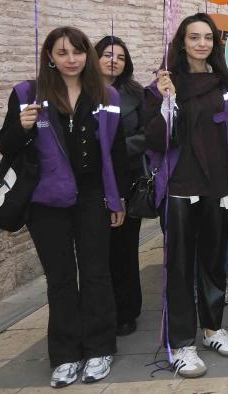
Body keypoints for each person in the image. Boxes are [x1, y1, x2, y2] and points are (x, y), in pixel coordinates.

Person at [0, 27, 128, 387]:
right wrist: (21, 128)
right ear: (50, 57)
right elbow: (6, 147)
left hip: (92, 197)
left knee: (96, 273)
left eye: (77, 52)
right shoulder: (28, 94)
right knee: (60, 279)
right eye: (62, 53)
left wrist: (117, 198)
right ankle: (66, 355)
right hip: (46, 199)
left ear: (87, 54)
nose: (71, 59)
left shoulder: (107, 94)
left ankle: (100, 348)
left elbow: (116, 153)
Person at [144, 13, 228, 379]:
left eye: (207, 38)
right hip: (180, 190)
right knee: (180, 268)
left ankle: (213, 329)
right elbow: (154, 141)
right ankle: (181, 344)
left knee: (214, 264)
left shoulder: (226, 85)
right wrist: (167, 105)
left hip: (218, 190)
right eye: (193, 37)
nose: (201, 43)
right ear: (181, 42)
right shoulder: (164, 86)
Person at [95, 36, 146, 337]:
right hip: (90, 183)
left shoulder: (135, 94)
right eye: (107, 55)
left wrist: (115, 149)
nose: (114, 61)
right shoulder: (83, 92)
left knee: (125, 249)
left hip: (126, 178)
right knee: (96, 252)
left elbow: (148, 133)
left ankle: (127, 310)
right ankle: (99, 310)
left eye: (121, 57)